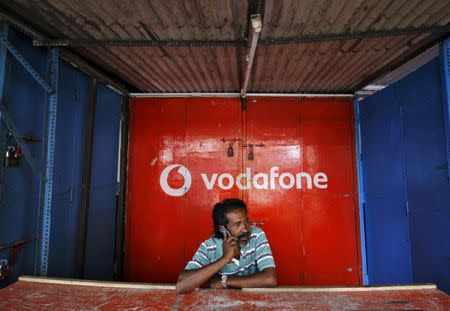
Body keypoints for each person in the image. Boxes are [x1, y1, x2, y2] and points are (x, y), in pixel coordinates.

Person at [176, 198, 277, 294]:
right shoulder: (209, 247)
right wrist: (225, 258)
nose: (245, 229)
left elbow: (270, 279)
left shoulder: (256, 235)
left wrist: (225, 281)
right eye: (237, 224)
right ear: (223, 230)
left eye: (246, 221)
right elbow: (182, 285)